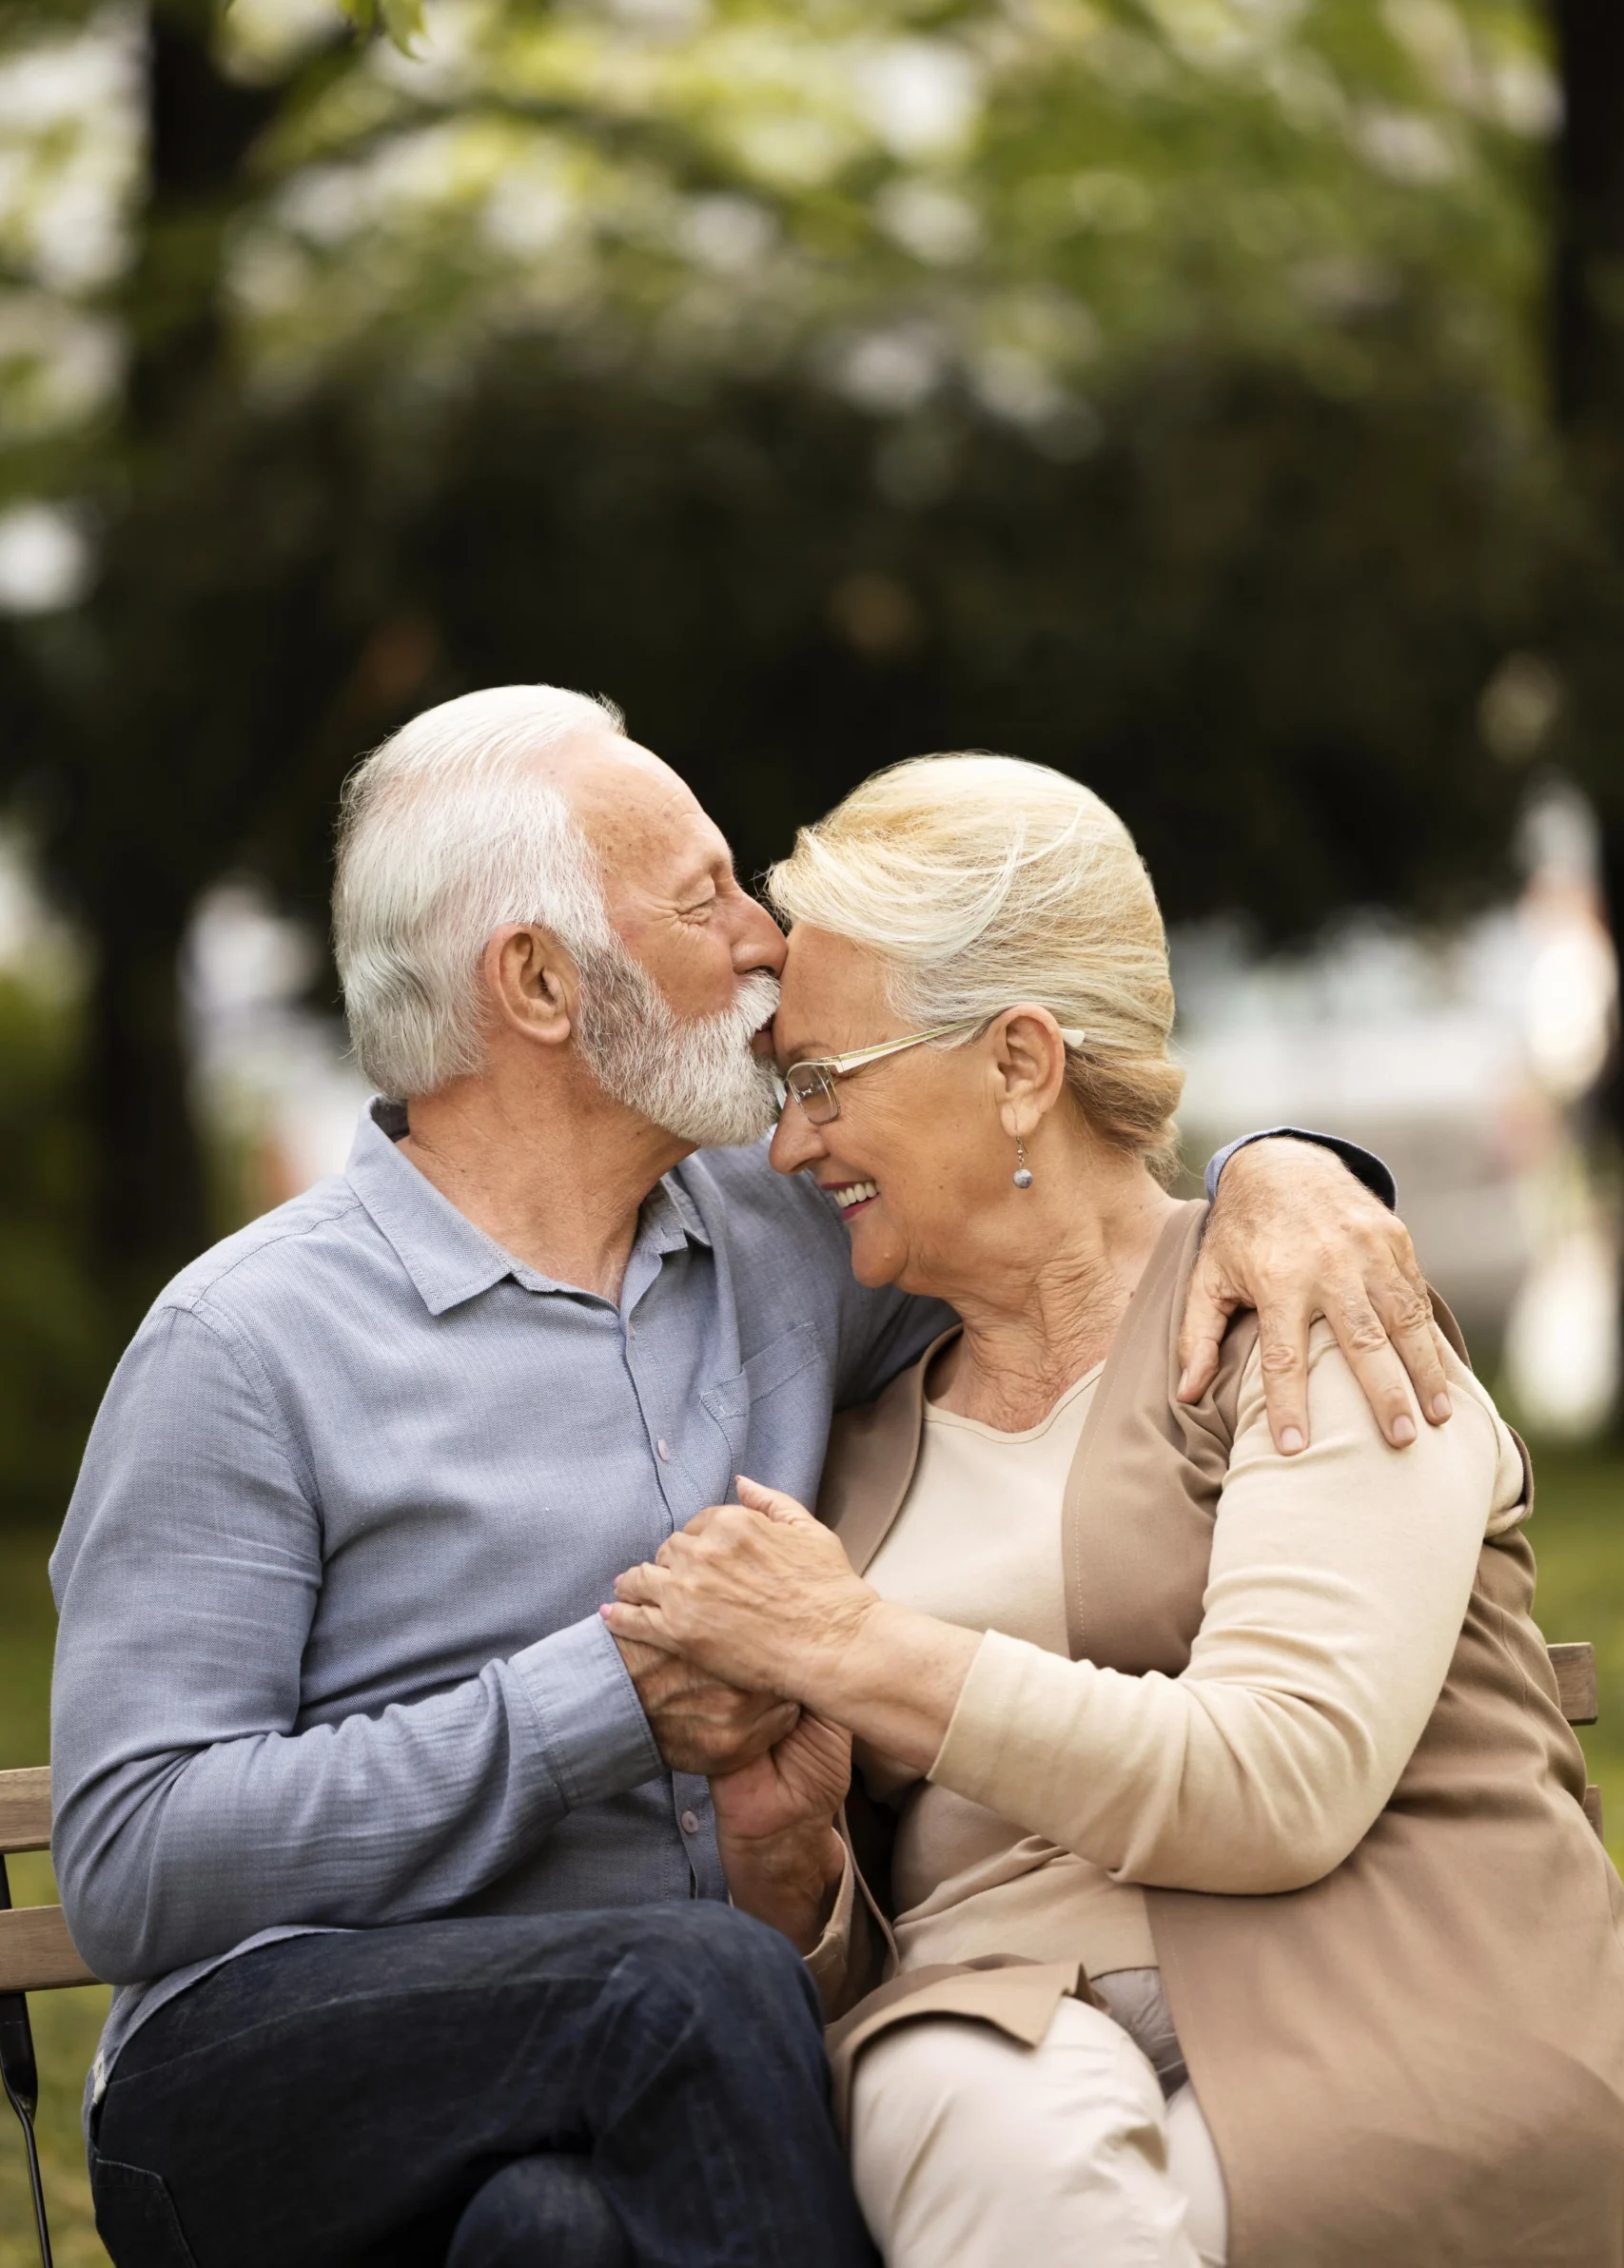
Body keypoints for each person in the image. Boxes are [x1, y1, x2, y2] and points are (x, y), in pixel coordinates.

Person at [52, 690, 1443, 2268]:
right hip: (280, 2077)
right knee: (695, 1981)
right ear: (537, 980)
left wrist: (1291, 1170)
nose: (766, 938)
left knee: (554, 2236)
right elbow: (132, 1860)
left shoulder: (791, 1235)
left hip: (671, 2105)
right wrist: (605, 1704)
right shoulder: (244, 1345)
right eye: (704, 893)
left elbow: (1065, 1195)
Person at [604, 752, 1624, 2268]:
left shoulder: (1305, 1314)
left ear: (1019, 1064)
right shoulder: (855, 1450)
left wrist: (851, 1644)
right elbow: (858, 1946)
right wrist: (791, 1859)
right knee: (980, 2128)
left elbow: (1280, 1778)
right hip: (993, 2059)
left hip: (1381, 2004)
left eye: (819, 1080)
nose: (789, 1144)